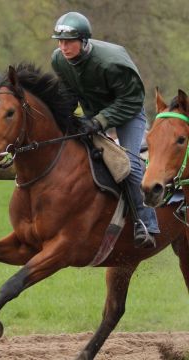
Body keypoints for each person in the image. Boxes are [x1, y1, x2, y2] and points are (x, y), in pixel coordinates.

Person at [51, 11, 160, 248]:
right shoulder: (59, 60)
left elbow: (131, 100)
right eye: (60, 42)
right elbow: (69, 94)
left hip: (128, 113)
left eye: (69, 42)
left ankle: (146, 225)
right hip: (93, 113)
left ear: (84, 41)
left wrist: (100, 121)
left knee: (128, 166)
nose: (63, 47)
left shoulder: (112, 63)